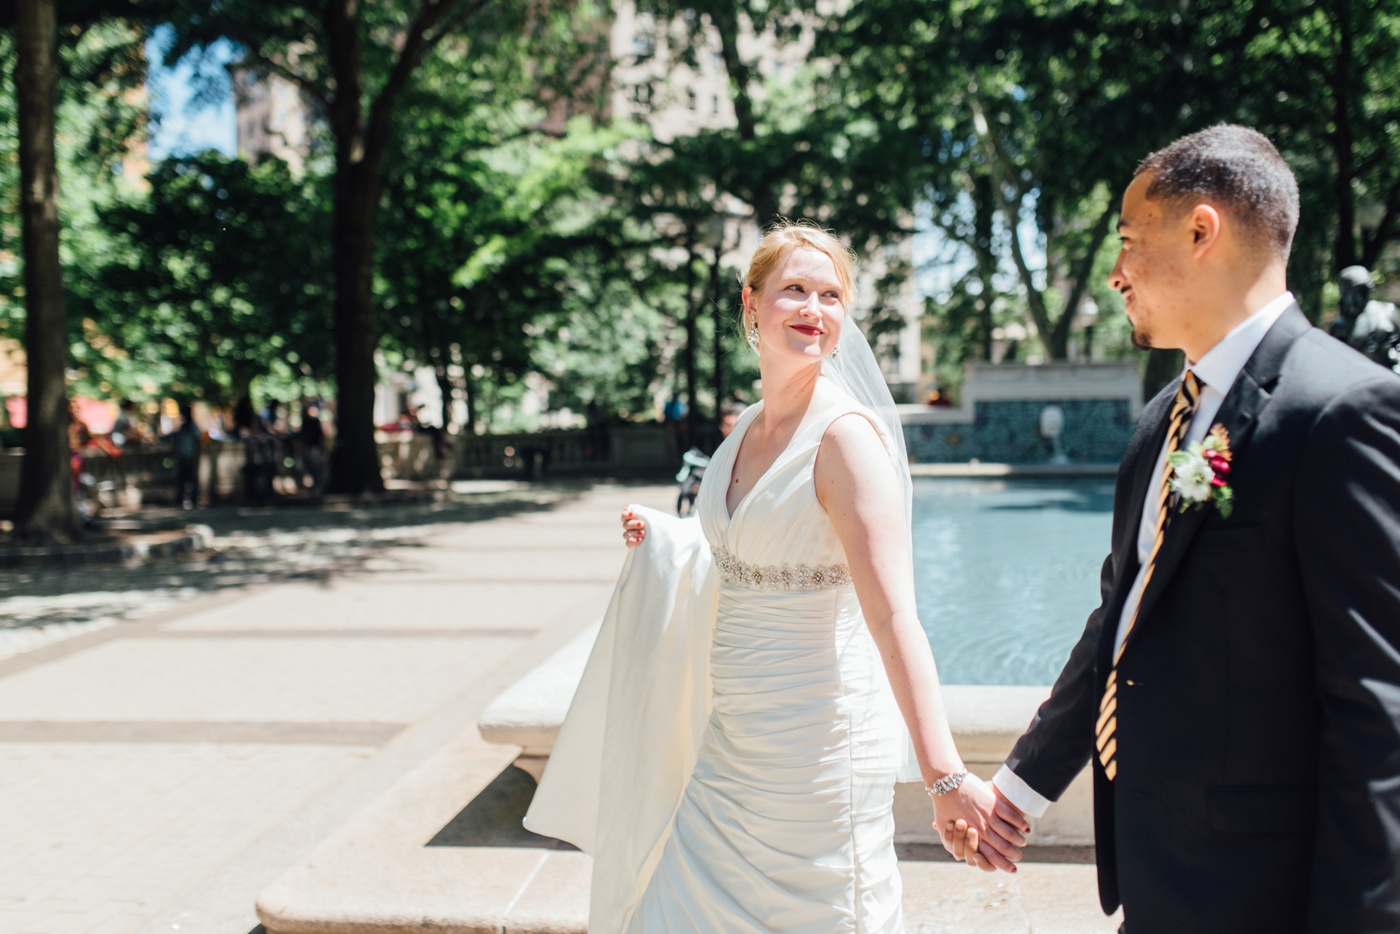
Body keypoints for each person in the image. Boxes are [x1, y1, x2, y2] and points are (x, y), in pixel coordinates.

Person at [526, 221, 1024, 933]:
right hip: (728, 750)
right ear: (751, 303)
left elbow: (894, 619)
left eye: (830, 295)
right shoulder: (745, 430)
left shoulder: (847, 441)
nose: (813, 310)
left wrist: (944, 774)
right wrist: (668, 541)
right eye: (794, 289)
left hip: (817, 762)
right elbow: (745, 557)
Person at [961, 126, 1400, 932]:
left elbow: (1379, 715)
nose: (1116, 272)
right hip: (1159, 881)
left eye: (1128, 241)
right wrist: (1020, 788)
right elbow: (1122, 625)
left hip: (1266, 891)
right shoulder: (1162, 421)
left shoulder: (1342, 410)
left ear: (1202, 231)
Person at [167, 402, 201, 509]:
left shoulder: (192, 427)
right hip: (184, 456)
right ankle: (182, 499)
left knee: (191, 479)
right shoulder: (183, 427)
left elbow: (197, 442)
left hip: (189, 456)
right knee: (183, 479)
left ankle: (192, 499)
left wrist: (195, 456)